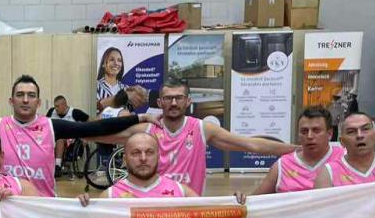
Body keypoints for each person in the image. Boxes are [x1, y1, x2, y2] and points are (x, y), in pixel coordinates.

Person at [0, 75, 155, 197]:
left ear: (38, 101)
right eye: (20, 95)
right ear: (11, 100)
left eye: (31, 95)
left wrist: (139, 118)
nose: (25, 99)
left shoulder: (52, 126)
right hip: (7, 205)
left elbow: (95, 129)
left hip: (43, 208)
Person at [118, 81, 297, 195]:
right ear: (159, 103)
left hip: (191, 207)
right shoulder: (147, 129)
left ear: (188, 101)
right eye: (168, 98)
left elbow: (251, 144)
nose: (173, 103)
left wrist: (297, 149)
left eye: (179, 98)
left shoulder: (201, 128)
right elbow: (105, 134)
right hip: (155, 207)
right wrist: (139, 117)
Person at [77, 131, 197, 205]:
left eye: (149, 152)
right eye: (135, 153)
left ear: (158, 157)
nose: (143, 158)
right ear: (125, 159)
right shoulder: (110, 196)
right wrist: (80, 208)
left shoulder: (183, 193)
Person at [246, 106, 344, 195]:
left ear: (329, 134)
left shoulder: (345, 158)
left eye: (316, 130)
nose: (309, 136)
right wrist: (241, 198)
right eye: (304, 131)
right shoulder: (283, 165)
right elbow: (255, 201)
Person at [95, 46, 149, 112]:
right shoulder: (96, 86)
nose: (116, 63)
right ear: (103, 64)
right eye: (112, 60)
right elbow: (95, 110)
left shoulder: (126, 88)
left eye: (119, 60)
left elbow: (131, 113)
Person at [48, 95, 90, 176]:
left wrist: (86, 136)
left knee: (60, 138)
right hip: (53, 139)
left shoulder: (75, 113)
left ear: (64, 105)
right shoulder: (51, 112)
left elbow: (90, 121)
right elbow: (45, 125)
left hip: (70, 141)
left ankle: (57, 166)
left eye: (57, 106)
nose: (56, 108)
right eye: (55, 106)